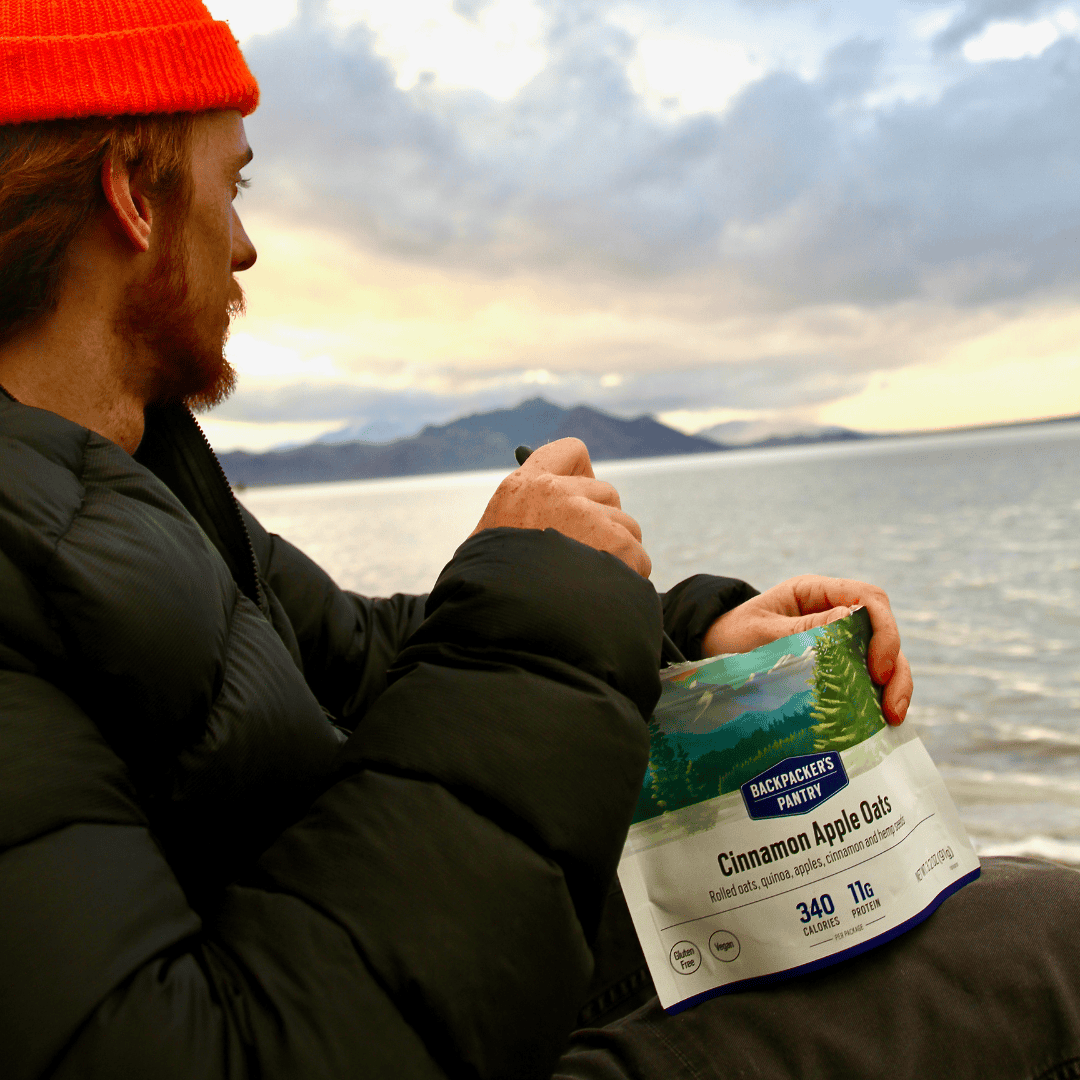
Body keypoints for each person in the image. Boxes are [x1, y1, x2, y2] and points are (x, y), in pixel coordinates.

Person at [0, 3, 1077, 1078]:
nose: (245, 245)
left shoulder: (146, 476)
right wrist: (530, 606)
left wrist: (682, 639)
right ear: (133, 194)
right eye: (233, 186)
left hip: (405, 960)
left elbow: (367, 664)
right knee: (1052, 961)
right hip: (361, 1022)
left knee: (998, 896)